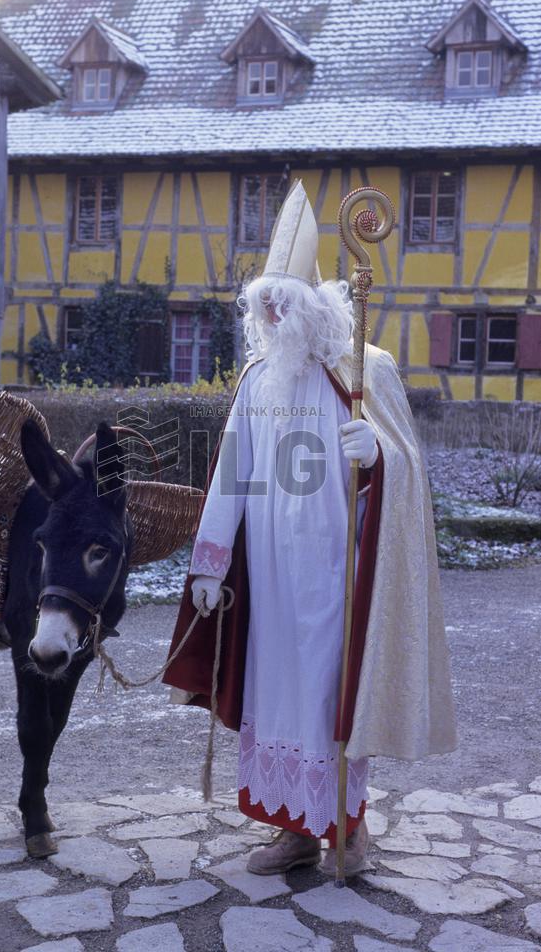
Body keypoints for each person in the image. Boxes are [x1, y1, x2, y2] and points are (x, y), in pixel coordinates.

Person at [163, 180, 457, 876]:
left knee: (331, 695)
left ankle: (345, 829)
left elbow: (406, 480)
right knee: (273, 692)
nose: (271, 311)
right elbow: (232, 472)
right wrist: (208, 565)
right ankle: (291, 828)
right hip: (266, 576)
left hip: (336, 573)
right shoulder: (259, 380)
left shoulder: (365, 371)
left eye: (282, 300)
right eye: (262, 301)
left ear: (312, 305)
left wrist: (379, 454)